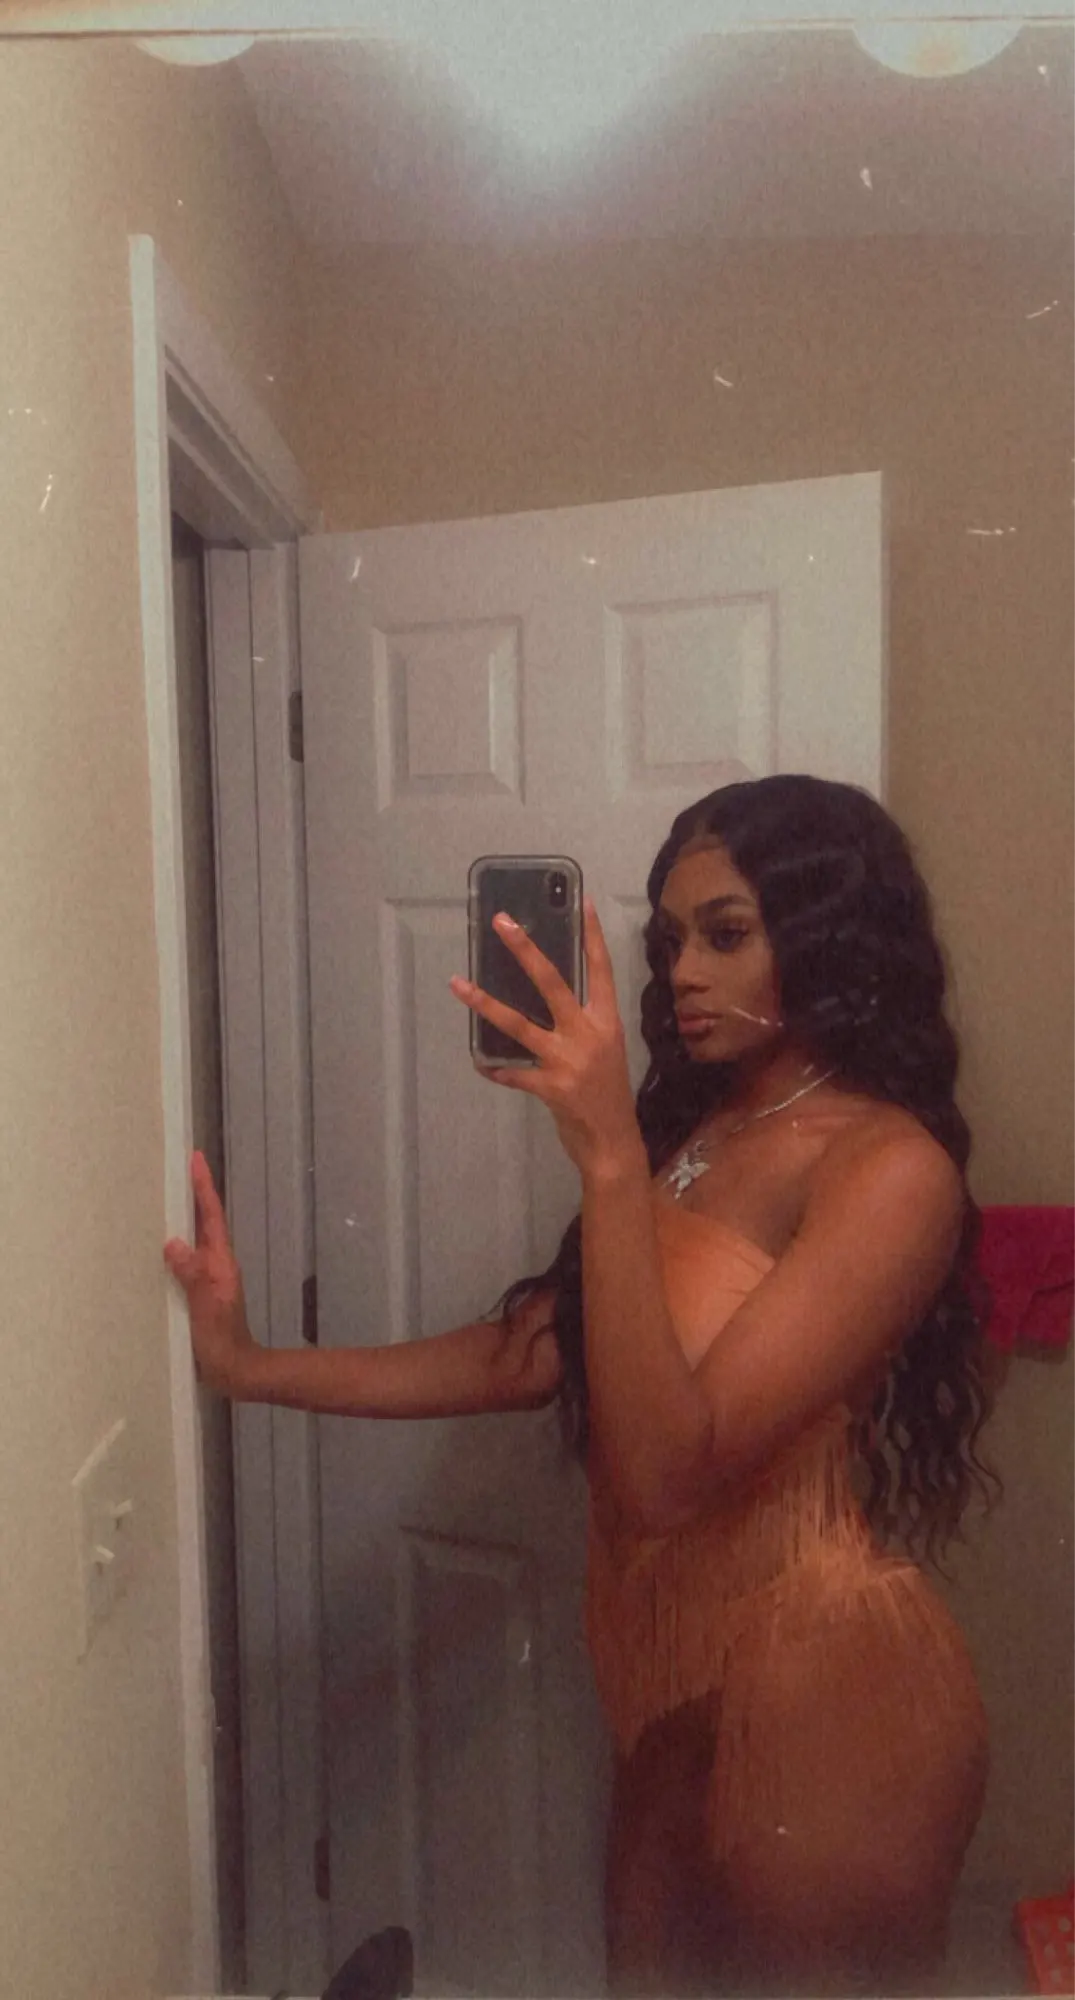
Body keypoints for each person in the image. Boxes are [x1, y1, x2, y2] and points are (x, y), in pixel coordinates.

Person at [165, 774, 1001, 1999]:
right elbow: (536, 1350)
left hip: (824, 1683)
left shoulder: (888, 1165)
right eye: (671, 940)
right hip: (662, 1672)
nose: (682, 973)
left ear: (830, 935)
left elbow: (664, 1474)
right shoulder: (703, 1127)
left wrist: (608, 1158)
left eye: (726, 932)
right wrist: (248, 1364)